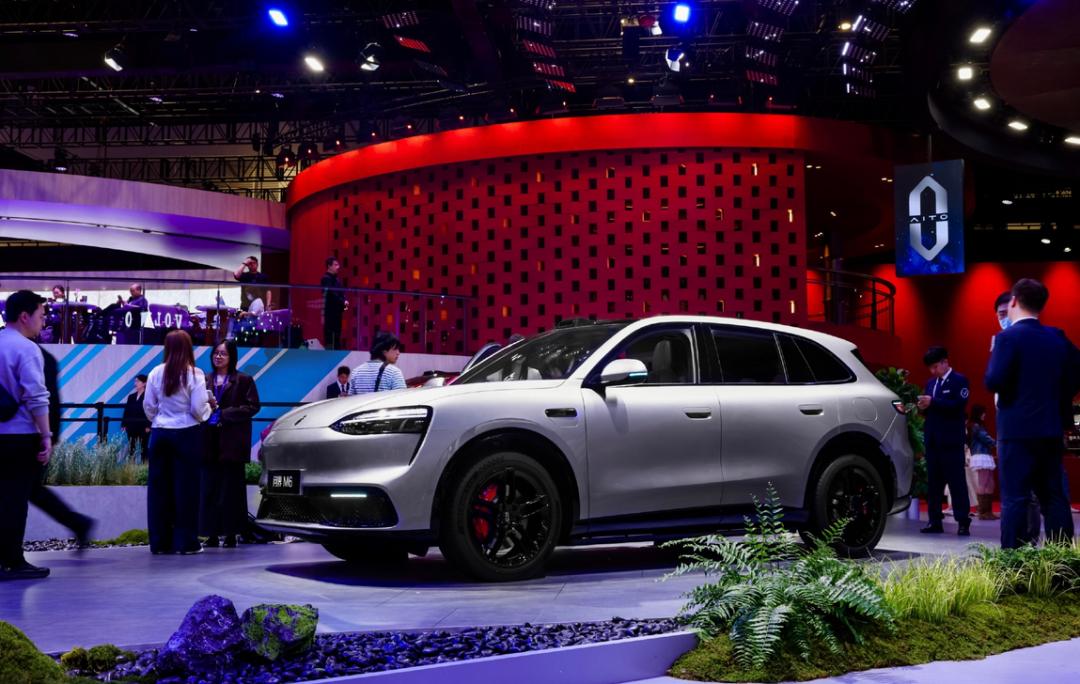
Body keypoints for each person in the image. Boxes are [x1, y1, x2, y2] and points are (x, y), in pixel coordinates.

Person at [986, 278, 1080, 549]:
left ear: (1014, 301)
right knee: (1054, 497)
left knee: (1015, 499)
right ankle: (1060, 562)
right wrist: (1059, 399)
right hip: (1050, 429)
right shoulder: (1057, 336)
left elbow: (993, 381)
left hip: (1016, 432)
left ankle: (1013, 563)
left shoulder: (1007, 338)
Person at [0, 290, 54, 580]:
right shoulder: (27, 349)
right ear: (24, 316)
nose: (43, 322)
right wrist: (46, 435)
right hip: (18, 436)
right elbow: (36, 396)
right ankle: (12, 561)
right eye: (41, 316)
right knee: (14, 499)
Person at [143, 330, 211, 555]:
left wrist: (159, 419)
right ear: (188, 348)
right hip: (187, 433)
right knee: (186, 489)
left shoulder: (155, 372)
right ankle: (186, 543)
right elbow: (198, 409)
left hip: (160, 433)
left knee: (158, 490)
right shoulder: (195, 374)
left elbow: (149, 406)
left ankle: (159, 543)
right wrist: (209, 410)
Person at [34, 345, 96, 548]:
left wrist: (48, 436)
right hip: (36, 433)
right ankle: (78, 523)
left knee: (30, 489)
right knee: (31, 489)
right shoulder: (44, 357)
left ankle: (78, 523)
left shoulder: (34, 355)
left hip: (29, 434)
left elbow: (45, 400)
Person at [201, 340, 260, 549]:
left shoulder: (243, 379)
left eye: (223, 353)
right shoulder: (205, 379)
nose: (218, 357)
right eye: (216, 353)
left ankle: (232, 534)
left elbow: (253, 406)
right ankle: (211, 534)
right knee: (210, 488)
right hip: (209, 440)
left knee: (231, 490)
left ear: (232, 357)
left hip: (232, 442)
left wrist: (224, 413)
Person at [918, 346, 972, 536]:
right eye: (930, 368)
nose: (933, 371)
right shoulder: (930, 383)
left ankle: (963, 522)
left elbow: (958, 406)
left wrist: (933, 402)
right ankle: (935, 521)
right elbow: (930, 410)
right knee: (933, 484)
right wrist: (923, 406)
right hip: (933, 441)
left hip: (951, 441)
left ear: (944, 362)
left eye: (935, 367)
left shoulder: (959, 380)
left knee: (957, 483)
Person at [968, 404, 998, 521]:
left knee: (990, 483)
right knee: (983, 483)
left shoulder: (978, 426)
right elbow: (985, 438)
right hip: (981, 455)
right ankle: (983, 511)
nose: (984, 415)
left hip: (985, 454)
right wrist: (998, 444)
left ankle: (988, 511)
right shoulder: (976, 426)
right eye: (983, 412)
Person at [321, 257, 349, 351]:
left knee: (337, 335)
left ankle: (337, 353)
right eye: (335, 265)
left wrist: (345, 301)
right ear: (329, 266)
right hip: (330, 312)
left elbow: (341, 293)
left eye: (338, 265)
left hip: (337, 312)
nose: (338, 267)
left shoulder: (337, 280)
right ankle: (329, 355)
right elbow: (331, 293)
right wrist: (342, 301)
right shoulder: (326, 279)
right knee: (329, 336)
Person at [121, 374, 151, 458]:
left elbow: (151, 411)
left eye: (137, 381)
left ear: (144, 383)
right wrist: (124, 424)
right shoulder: (131, 397)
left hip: (143, 426)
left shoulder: (148, 396)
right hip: (131, 425)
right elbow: (127, 411)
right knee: (131, 447)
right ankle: (131, 464)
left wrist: (149, 425)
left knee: (144, 447)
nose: (135, 383)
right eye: (135, 381)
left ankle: (144, 464)